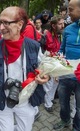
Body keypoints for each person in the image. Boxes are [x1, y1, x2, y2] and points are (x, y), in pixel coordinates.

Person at [53, 0, 80, 130]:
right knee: (63, 103)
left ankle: (76, 127)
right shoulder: (68, 29)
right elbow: (62, 50)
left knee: (79, 107)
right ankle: (65, 121)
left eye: (71, 9)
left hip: (79, 77)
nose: (68, 13)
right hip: (66, 74)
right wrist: (56, 60)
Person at [43, 15, 64, 113]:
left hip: (57, 63)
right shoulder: (46, 35)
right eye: (60, 24)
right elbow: (42, 51)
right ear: (53, 25)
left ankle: (50, 99)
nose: (62, 25)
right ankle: (47, 104)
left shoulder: (58, 34)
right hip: (48, 64)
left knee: (55, 83)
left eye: (63, 23)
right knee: (49, 84)